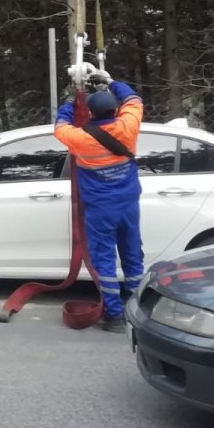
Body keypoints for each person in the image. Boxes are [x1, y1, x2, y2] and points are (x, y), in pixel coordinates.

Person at [54, 67, 144, 333]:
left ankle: (115, 316)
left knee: (104, 259)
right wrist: (111, 81)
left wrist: (72, 100)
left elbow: (60, 127)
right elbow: (134, 101)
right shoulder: (128, 126)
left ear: (90, 114)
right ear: (115, 110)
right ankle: (136, 308)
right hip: (128, 205)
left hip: (100, 210)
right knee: (132, 254)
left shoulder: (80, 139)